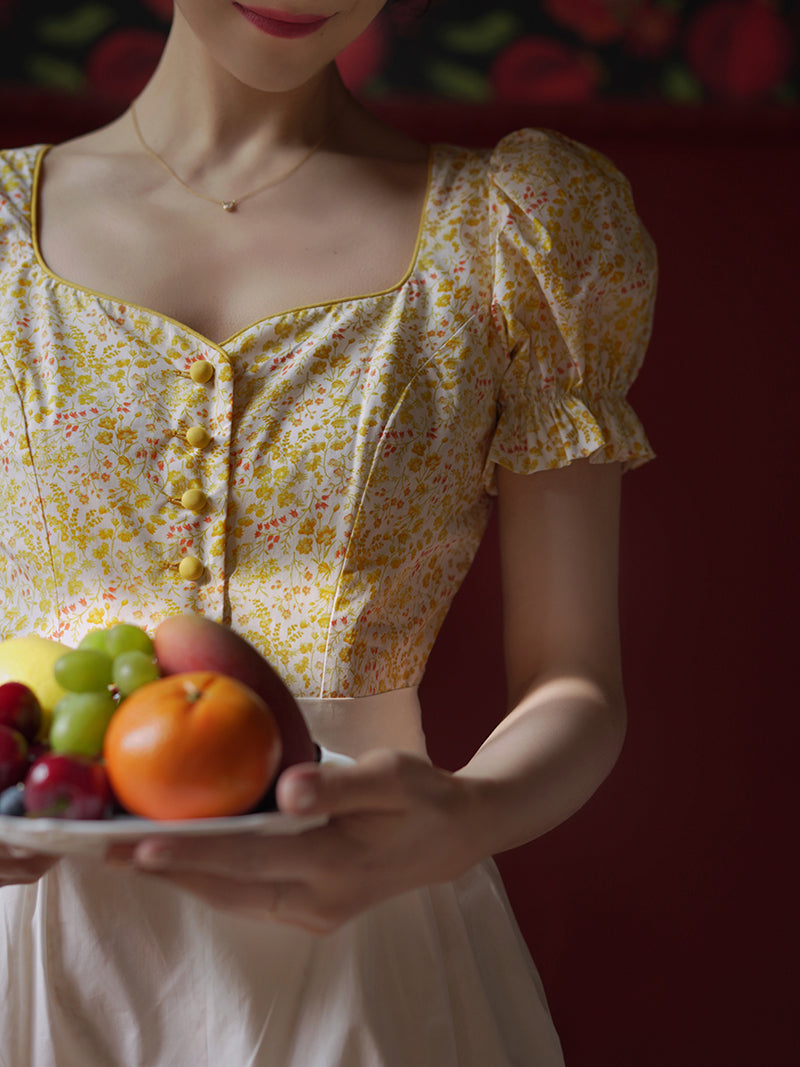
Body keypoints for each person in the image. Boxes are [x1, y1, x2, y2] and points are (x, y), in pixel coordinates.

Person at [0, 1, 657, 1063]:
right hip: (30, 947)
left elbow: (575, 682)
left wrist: (462, 815)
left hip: (371, 935)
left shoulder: (518, 235)